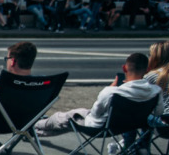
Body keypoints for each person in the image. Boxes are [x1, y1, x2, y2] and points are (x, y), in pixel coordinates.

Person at [34, 52, 162, 136]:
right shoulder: (156, 91)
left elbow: (95, 113)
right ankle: (36, 132)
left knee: (62, 118)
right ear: (148, 70)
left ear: (124, 68)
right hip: (127, 127)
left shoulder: (113, 92)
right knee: (66, 123)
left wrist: (111, 87)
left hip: (100, 127)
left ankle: (34, 124)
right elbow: (158, 112)